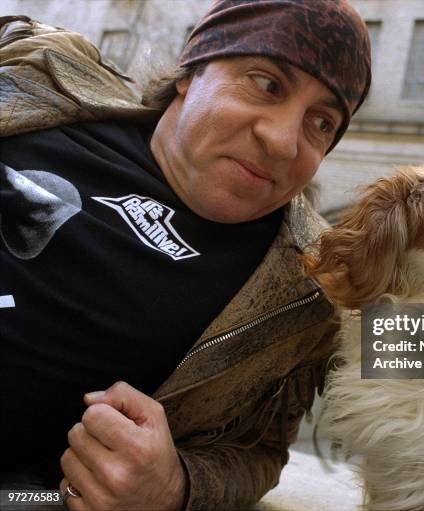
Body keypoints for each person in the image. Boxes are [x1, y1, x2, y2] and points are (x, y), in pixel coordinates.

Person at [0, 1, 371, 509]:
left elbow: (255, 453)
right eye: (266, 84)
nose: (283, 141)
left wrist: (178, 487)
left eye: (322, 123)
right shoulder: (39, 75)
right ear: (190, 73)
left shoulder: (306, 287)